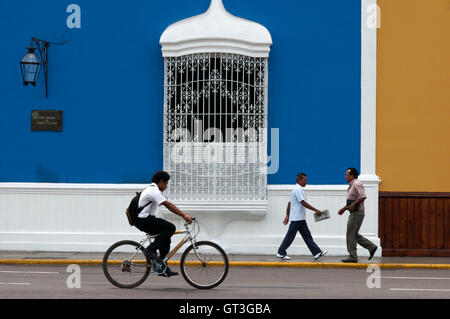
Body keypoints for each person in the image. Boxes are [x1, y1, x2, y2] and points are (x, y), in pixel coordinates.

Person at [134, 170, 192, 277]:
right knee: (171, 228)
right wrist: (184, 215)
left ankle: (161, 266)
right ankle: (150, 250)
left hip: (145, 219)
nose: (166, 186)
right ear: (161, 181)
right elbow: (168, 205)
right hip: (144, 220)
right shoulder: (153, 191)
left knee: (166, 238)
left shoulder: (153, 190)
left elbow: (166, 204)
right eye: (166, 183)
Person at [277, 173, 328, 261]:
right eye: (305, 180)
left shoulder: (297, 189)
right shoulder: (298, 190)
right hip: (297, 218)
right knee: (290, 237)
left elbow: (289, 203)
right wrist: (315, 210)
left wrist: (287, 215)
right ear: (300, 180)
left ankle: (316, 253)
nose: (306, 181)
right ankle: (281, 252)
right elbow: (303, 202)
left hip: (300, 218)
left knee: (307, 236)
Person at [338, 168, 377, 263]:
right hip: (354, 213)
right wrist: (344, 208)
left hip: (357, 213)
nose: (345, 176)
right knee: (353, 234)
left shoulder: (356, 184)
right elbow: (352, 200)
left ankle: (353, 256)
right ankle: (371, 247)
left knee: (350, 234)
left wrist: (352, 205)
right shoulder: (352, 185)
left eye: (347, 174)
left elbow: (363, 196)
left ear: (352, 176)